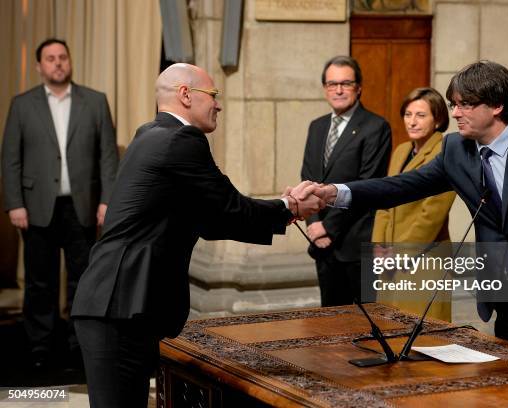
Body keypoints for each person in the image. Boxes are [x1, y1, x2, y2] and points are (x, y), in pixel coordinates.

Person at [302, 61, 508, 369]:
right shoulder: (455, 150)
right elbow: (400, 187)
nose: (456, 113)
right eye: (454, 105)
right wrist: (335, 193)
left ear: (497, 105)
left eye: (466, 105)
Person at [70, 63, 324, 408]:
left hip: (118, 304)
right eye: (213, 95)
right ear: (185, 95)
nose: (218, 104)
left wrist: (285, 207)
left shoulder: (150, 133)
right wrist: (291, 206)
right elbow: (231, 209)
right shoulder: (182, 140)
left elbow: (212, 221)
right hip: (118, 305)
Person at [1, 38, 118, 369]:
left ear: (70, 62)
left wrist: (107, 200)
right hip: (36, 206)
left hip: (82, 205)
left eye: (62, 57)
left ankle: (79, 343)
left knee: (83, 280)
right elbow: (10, 159)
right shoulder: (22, 105)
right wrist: (15, 203)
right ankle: (40, 345)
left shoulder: (95, 102)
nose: (57, 63)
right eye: (50, 58)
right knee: (40, 281)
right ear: (39, 66)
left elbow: (107, 156)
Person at [300, 55, 391, 307]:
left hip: (354, 245)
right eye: (332, 84)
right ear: (325, 88)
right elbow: (307, 178)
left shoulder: (376, 127)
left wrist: (328, 227)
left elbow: (368, 184)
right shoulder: (316, 127)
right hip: (322, 246)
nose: (338, 90)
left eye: (346, 83)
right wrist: (314, 225)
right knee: (328, 325)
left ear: (358, 87)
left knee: (362, 325)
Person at [371, 88, 455, 321]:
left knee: (422, 332)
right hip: (390, 257)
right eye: (408, 114)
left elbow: (432, 213)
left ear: (437, 119)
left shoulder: (446, 151)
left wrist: (401, 253)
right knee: (389, 326)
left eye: (420, 115)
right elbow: (384, 198)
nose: (412, 122)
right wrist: (379, 245)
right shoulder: (401, 151)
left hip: (424, 255)